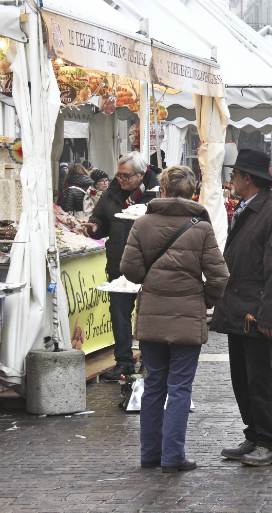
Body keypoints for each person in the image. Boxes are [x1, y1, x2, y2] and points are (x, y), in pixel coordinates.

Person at [120, 165, 229, 473]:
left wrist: (150, 280)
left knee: (155, 385)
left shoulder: (142, 224)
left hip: (153, 316)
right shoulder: (201, 227)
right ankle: (172, 457)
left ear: (163, 190)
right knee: (180, 387)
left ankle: (150, 454)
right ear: (192, 192)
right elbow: (220, 276)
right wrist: (203, 299)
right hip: (186, 318)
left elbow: (129, 268)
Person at [212, 149, 272, 468]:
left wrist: (268, 316)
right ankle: (254, 435)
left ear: (248, 179)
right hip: (238, 309)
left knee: (259, 378)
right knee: (241, 378)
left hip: (255, 313)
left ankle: (270, 441)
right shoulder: (248, 209)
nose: (230, 180)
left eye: (234, 175)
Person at [83, 152, 159, 381]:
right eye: (119, 175)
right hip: (119, 264)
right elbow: (101, 218)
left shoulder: (156, 192)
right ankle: (124, 362)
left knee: (150, 315)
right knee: (119, 314)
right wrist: (95, 227)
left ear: (141, 173)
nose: (122, 180)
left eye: (127, 176)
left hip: (150, 266)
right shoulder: (112, 191)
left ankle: (150, 361)